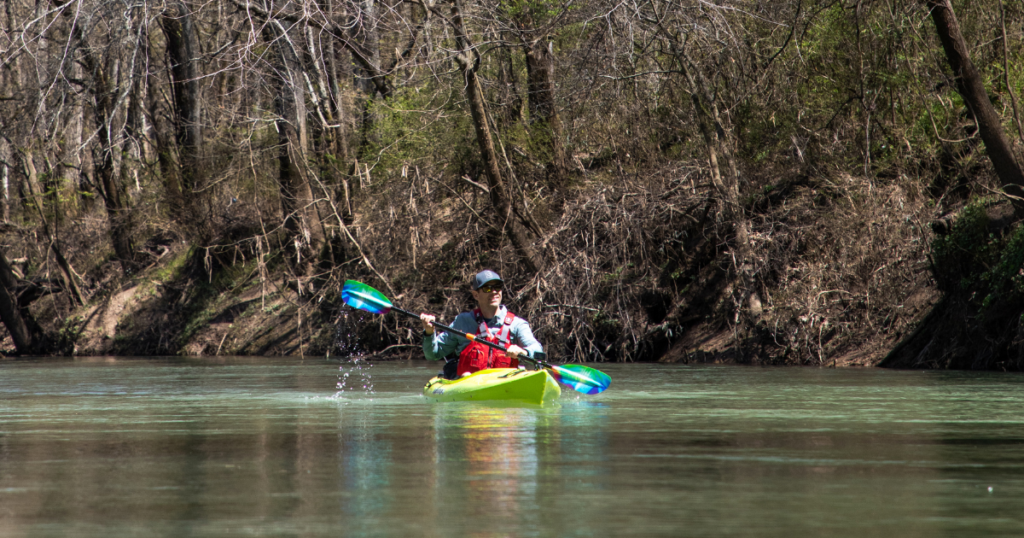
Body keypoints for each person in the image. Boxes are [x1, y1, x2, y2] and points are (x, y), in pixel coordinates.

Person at [420, 270, 544, 379]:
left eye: (497, 287)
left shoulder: (517, 324)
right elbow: (433, 354)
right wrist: (429, 333)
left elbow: (537, 349)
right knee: (465, 375)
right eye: (487, 288)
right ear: (476, 295)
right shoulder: (462, 321)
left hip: (503, 383)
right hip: (468, 383)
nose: (494, 292)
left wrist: (525, 352)